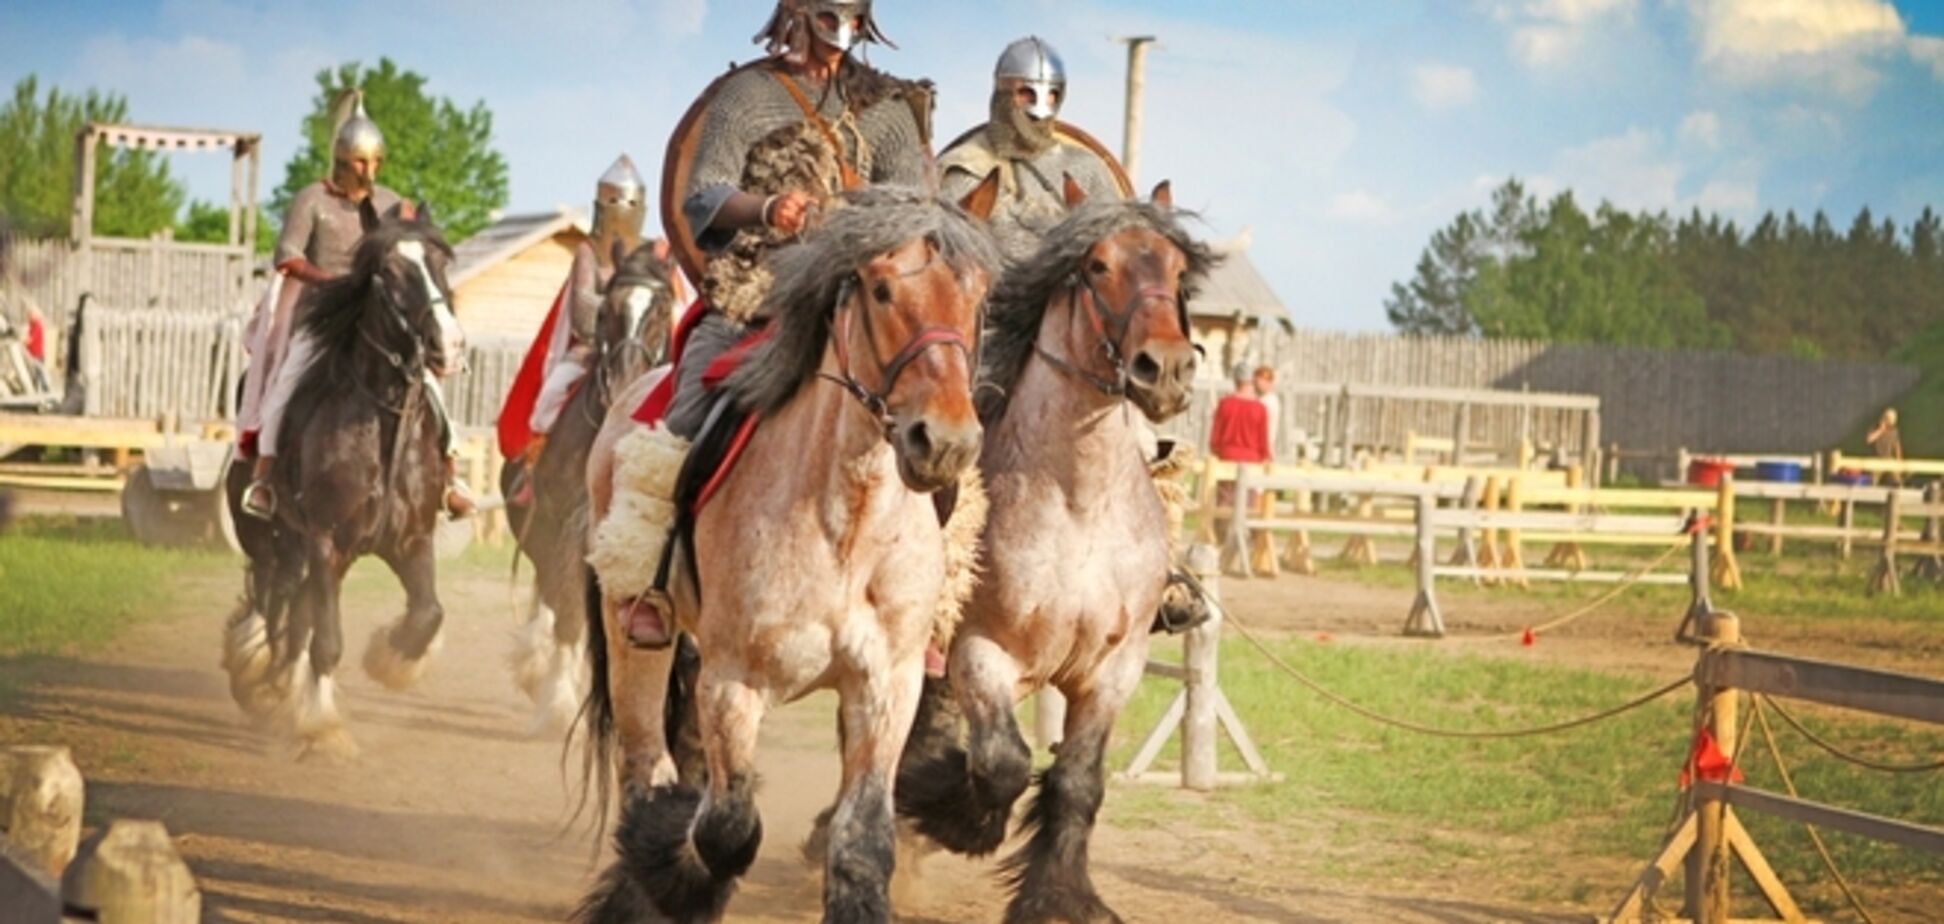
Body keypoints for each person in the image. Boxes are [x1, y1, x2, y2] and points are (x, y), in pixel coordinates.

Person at [611, 0, 933, 647]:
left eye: (849, 12)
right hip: (755, 295)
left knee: (941, 421)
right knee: (685, 415)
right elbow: (704, 197)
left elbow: (914, 215)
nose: (839, 26)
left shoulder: (890, 109)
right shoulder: (747, 96)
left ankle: (932, 605)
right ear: (795, 12)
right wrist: (768, 208)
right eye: (827, 11)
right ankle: (652, 579)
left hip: (856, 307)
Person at [239, 94, 473, 520]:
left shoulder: (389, 203)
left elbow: (409, 247)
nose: (368, 172)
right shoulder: (312, 199)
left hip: (374, 318)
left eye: (374, 162)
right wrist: (332, 282)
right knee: (286, 384)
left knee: (428, 383)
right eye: (360, 163)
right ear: (342, 161)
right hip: (322, 317)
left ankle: (448, 478)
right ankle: (266, 476)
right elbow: (286, 256)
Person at [938, 36, 1125, 262]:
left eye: (1051, 94)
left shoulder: (1086, 168)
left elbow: (1117, 256)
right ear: (1003, 94)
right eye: (1026, 93)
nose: (1040, 107)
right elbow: (941, 263)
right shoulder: (965, 167)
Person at [518, 155, 648, 471]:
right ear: (602, 206)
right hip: (590, 350)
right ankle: (534, 472)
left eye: (629, 205)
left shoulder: (646, 254)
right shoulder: (588, 251)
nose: (622, 212)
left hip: (638, 353)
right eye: (615, 203)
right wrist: (614, 313)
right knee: (545, 405)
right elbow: (582, 306)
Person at [1866, 407, 1904, 487]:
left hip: (1889, 459)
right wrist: (1880, 430)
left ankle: (1899, 492)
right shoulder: (1875, 427)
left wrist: (1899, 459)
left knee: (1897, 480)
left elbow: (1897, 446)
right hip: (1876, 459)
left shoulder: (1894, 431)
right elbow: (1869, 439)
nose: (1890, 424)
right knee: (1872, 482)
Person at [1252, 364, 1280, 460]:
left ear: (1268, 382)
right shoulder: (1259, 399)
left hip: (1263, 446)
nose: (1255, 385)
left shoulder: (1269, 401)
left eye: (1259, 382)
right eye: (1254, 382)